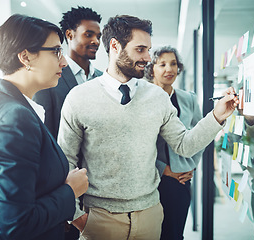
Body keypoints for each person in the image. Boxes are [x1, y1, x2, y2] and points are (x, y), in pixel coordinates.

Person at [58, 15, 239, 240]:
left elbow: (184, 145)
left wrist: (217, 116)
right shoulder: (79, 97)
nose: (147, 58)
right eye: (140, 49)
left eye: (148, 50)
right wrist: (77, 217)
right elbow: (65, 161)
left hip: (150, 216)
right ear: (115, 46)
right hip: (99, 219)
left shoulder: (156, 97)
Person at [0, 14, 88, 240]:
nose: (64, 61)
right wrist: (70, 191)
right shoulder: (15, 118)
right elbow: (16, 224)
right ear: (26, 57)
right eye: (56, 51)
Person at [144, 46, 202, 240]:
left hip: (180, 180)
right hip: (150, 180)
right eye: (162, 64)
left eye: (173, 64)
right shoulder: (141, 99)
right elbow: (138, 143)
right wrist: (164, 169)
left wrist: (191, 166)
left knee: (175, 234)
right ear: (152, 69)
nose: (169, 69)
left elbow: (199, 136)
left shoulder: (189, 99)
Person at [33, 6, 102, 140]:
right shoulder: (49, 79)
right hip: (63, 158)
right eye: (88, 35)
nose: (96, 41)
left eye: (98, 36)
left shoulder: (102, 78)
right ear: (69, 35)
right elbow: (45, 132)